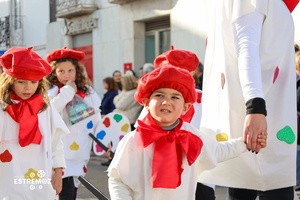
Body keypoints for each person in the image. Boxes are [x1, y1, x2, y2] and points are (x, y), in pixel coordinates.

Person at [107, 65, 267, 200]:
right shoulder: (133, 140)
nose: (166, 101)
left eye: (175, 97)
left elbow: (217, 151)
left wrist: (246, 143)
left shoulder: (191, 135)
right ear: (147, 103)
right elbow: (118, 180)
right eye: (159, 95)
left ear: (186, 107)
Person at [198, 1, 298, 199]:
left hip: (260, 108)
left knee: (245, 184)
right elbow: (246, 47)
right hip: (262, 110)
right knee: (266, 183)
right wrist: (255, 107)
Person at [0, 47, 69, 199]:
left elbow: (56, 142)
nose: (28, 87)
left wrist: (58, 172)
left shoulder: (45, 107)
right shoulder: (2, 107)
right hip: (8, 178)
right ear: (10, 81)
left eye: (33, 82)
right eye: (21, 82)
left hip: (41, 178)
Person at [46, 47, 102, 200]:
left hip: (80, 152)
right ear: (54, 72)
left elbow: (96, 120)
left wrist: (103, 143)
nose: (66, 75)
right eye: (61, 71)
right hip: (58, 153)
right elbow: (50, 111)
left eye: (70, 70)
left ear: (77, 71)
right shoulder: (50, 92)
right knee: (64, 192)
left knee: (72, 190)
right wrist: (67, 92)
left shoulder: (88, 92)